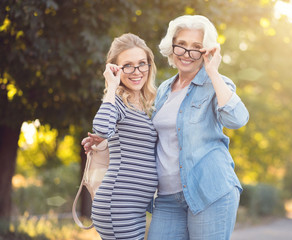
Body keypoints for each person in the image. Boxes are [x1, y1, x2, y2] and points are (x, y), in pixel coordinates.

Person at [145, 15, 249, 240]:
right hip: (167, 198)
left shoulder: (218, 84)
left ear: (206, 52)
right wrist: (105, 141)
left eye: (196, 48)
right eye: (181, 45)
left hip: (210, 193)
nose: (187, 53)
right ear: (172, 47)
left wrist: (213, 71)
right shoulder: (163, 89)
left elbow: (238, 119)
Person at [83, 33, 158, 240]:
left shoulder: (146, 105)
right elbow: (101, 128)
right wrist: (112, 86)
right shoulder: (118, 103)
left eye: (142, 64)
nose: (136, 71)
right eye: (128, 65)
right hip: (118, 204)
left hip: (136, 206)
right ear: (115, 69)